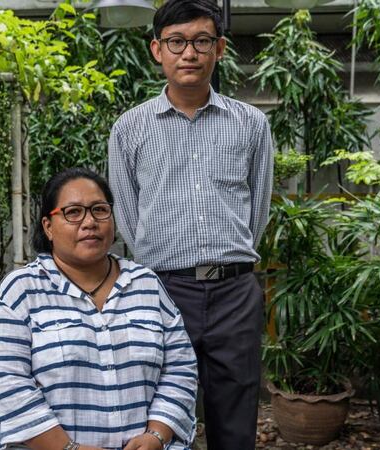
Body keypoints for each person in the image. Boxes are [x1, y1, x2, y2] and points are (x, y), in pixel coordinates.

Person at [107, 0, 275, 448]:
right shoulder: (129, 128)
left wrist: (229, 263)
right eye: (177, 42)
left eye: (201, 41)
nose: (189, 53)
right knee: (154, 412)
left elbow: (257, 211)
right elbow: (126, 213)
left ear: (219, 49)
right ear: (156, 50)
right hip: (162, 289)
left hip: (235, 293)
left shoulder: (251, 123)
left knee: (235, 416)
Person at [0, 168, 198, 450]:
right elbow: (1, 380)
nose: (89, 222)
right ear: (48, 226)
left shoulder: (146, 285)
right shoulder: (20, 291)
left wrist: (156, 434)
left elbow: (180, 367)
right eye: (73, 212)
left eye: (99, 210)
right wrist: (68, 449)